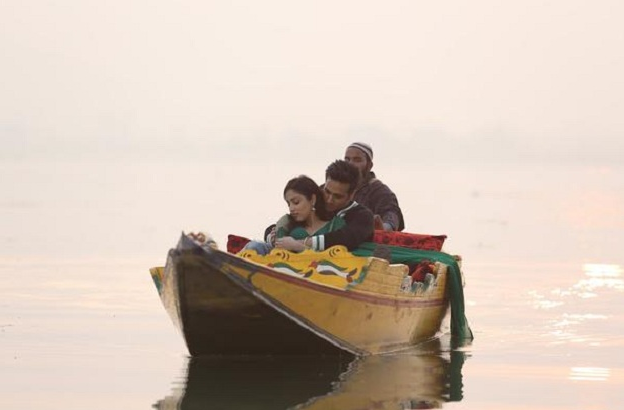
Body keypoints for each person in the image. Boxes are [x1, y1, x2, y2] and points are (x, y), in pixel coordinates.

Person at [275, 159, 374, 252]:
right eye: (327, 191)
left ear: (351, 195)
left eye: (337, 196)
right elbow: (291, 219)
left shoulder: (363, 216)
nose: (329, 199)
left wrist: (300, 243)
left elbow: (346, 238)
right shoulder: (315, 201)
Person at [243, 175, 345, 255]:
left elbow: (340, 257)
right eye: (289, 204)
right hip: (282, 272)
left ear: (312, 199)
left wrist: (298, 246)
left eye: (296, 202)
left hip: (323, 277)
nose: (291, 208)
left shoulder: (336, 225)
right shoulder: (288, 225)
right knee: (254, 246)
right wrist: (274, 237)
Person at [344, 142, 405, 231]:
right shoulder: (332, 187)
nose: (351, 164)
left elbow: (391, 215)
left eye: (357, 160)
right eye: (347, 159)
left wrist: (383, 228)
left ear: (369, 165)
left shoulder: (379, 191)